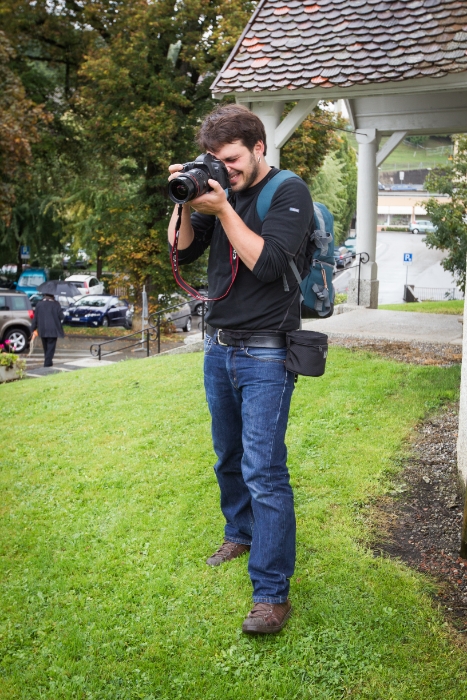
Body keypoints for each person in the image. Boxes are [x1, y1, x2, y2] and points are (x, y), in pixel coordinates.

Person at [167, 103, 313, 634]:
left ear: (258, 149)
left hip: (268, 351)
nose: (223, 170)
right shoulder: (212, 186)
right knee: (227, 455)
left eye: (231, 160)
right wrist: (186, 198)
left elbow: (270, 264)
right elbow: (180, 252)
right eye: (214, 161)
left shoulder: (288, 191)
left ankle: (272, 593)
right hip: (219, 345)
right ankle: (240, 531)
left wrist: (224, 208)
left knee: (264, 470)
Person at [30, 294, 64, 367]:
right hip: (53, 329)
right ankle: (47, 364)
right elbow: (61, 316)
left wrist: (33, 329)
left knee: (46, 348)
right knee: (51, 348)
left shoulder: (39, 304)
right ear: (52, 296)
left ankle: (48, 362)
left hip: (42, 329)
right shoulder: (56, 304)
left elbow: (35, 318)